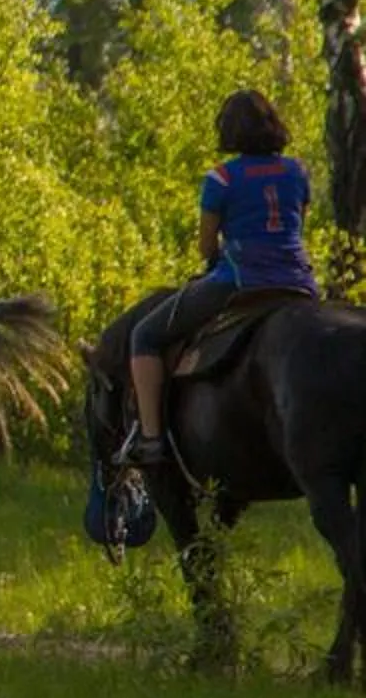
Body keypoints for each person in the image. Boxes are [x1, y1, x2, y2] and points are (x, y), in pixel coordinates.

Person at [119, 89, 319, 469]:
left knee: (143, 335)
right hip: (298, 283)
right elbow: (298, 222)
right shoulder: (297, 172)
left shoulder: (222, 179)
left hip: (240, 281)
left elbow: (206, 245)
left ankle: (151, 438)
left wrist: (215, 258)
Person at [324, 0, 366, 242]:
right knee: (346, 180)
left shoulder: (349, 37)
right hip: (346, 111)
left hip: (350, 112)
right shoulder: (345, 37)